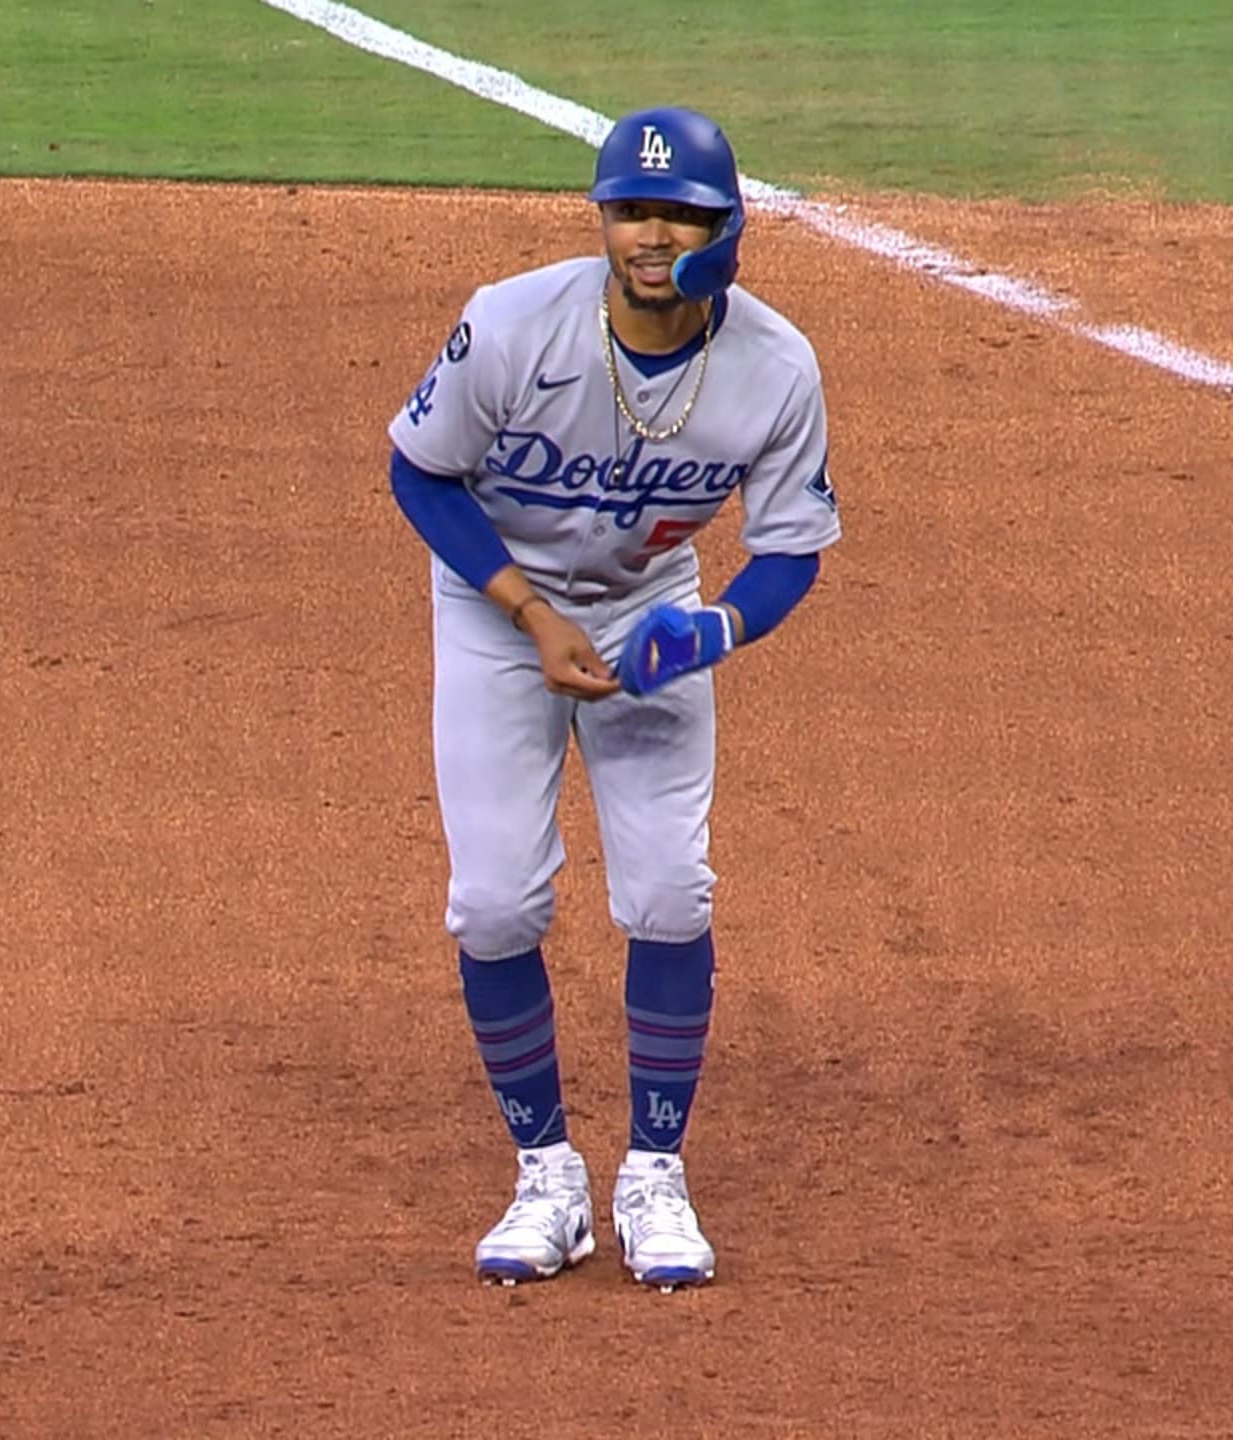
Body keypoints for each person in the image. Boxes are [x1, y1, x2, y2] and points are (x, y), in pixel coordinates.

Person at [385, 106, 842, 1292]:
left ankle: (654, 1174)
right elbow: (420, 472)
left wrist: (711, 629)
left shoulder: (776, 367)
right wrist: (528, 615)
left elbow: (790, 548)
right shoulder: (513, 324)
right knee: (493, 903)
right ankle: (546, 1176)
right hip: (496, 605)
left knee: (670, 891)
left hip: (652, 609)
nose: (651, 236)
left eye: (678, 214)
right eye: (631, 211)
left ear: (726, 227)